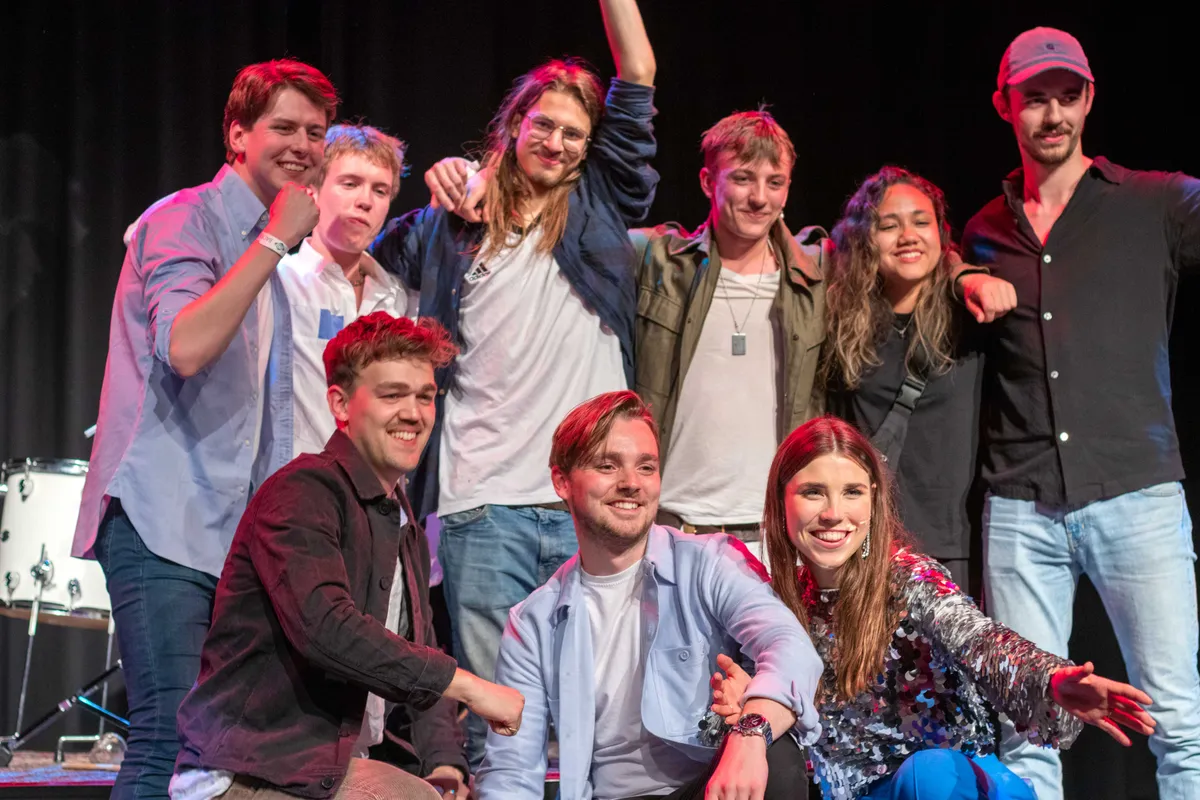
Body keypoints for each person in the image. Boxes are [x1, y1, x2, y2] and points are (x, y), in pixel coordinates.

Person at [372, 0, 657, 767]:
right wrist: (439, 179)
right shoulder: (450, 222)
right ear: (514, 124)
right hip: (482, 500)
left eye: (575, 134)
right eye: (545, 126)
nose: (557, 144)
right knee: (497, 716)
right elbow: (364, 266)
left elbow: (638, 71)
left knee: (599, 714)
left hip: (585, 500)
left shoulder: (599, 202)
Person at [72, 59, 337, 799]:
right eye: (284, 127)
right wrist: (274, 243)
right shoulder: (182, 219)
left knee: (211, 757)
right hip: (161, 520)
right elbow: (185, 347)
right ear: (238, 134)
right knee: (167, 736)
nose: (303, 145)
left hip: (229, 533)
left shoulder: (272, 252)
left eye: (316, 132)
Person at [958, 27, 1200, 799]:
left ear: (1090, 100)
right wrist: (961, 273)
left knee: (1178, 726)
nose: (1053, 114)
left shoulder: (1156, 202)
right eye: (1035, 99)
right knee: (1028, 732)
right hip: (1021, 504)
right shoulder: (984, 231)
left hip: (1137, 492)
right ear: (1005, 106)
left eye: (1068, 96)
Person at [169, 313, 524, 800]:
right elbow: (327, 629)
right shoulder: (304, 490)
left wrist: (445, 762)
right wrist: (470, 687)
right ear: (340, 403)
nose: (414, 413)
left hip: (324, 770)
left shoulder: (402, 522)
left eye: (425, 396)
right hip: (251, 771)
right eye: (392, 395)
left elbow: (421, 650)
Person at [711, 415, 1157, 800]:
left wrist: (1051, 680)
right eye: (813, 492)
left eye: (852, 492)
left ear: (874, 500)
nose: (833, 513)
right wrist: (745, 703)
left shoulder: (908, 578)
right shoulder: (772, 604)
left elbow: (983, 640)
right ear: (781, 501)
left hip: (955, 785)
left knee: (928, 773)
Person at [475, 391, 822, 800]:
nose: (631, 483)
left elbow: (790, 645)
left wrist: (751, 731)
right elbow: (511, 770)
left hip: (709, 788)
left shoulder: (710, 562)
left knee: (775, 754)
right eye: (608, 466)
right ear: (562, 482)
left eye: (646, 467)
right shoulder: (534, 621)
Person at [823, 167, 987, 593]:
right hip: (867, 545)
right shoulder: (841, 323)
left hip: (953, 547)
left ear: (941, 235)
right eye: (889, 226)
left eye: (921, 222)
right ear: (865, 238)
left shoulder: (971, 317)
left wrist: (964, 273)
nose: (908, 236)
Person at [278, 124, 419, 458]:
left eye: (380, 191)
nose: (365, 201)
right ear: (313, 189)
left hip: (380, 486)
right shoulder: (281, 281)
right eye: (350, 184)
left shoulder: (399, 298)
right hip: (300, 481)